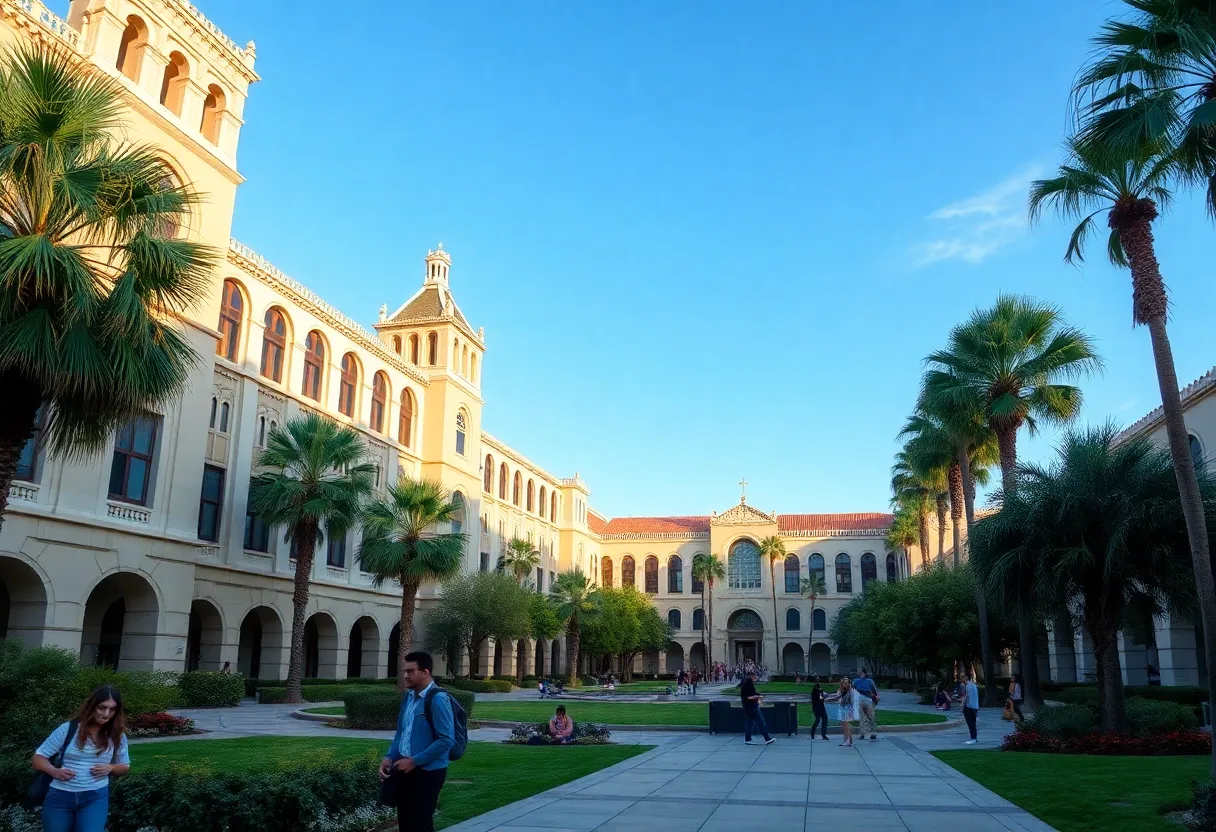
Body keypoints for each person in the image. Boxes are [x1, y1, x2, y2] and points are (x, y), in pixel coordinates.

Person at [32, 685, 131, 832]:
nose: (106, 714)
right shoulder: (69, 729)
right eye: (102, 708)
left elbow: (124, 766)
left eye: (112, 709)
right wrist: (54, 771)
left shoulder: (117, 735)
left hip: (95, 797)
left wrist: (111, 768)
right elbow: (38, 758)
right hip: (60, 796)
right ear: (92, 706)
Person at [380, 651, 455, 832]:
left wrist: (414, 761)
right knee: (406, 824)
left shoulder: (438, 699)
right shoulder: (409, 697)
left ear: (425, 672)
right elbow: (402, 733)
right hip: (405, 769)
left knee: (420, 824)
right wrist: (389, 757)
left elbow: (446, 740)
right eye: (405, 671)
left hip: (428, 772)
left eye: (410, 671)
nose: (405, 675)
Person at [738, 670, 775, 745]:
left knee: (749, 723)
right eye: (755, 676)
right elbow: (748, 697)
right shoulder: (748, 684)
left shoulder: (747, 683)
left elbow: (749, 694)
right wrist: (757, 697)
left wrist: (757, 695)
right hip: (751, 707)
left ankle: (748, 739)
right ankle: (767, 738)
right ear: (751, 676)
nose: (756, 677)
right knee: (761, 722)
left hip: (748, 707)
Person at [827, 677, 857, 747]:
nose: (844, 684)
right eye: (843, 682)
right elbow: (837, 695)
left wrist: (828, 698)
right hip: (842, 707)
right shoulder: (842, 690)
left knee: (846, 725)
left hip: (848, 708)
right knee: (844, 724)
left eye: (846, 682)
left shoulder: (850, 690)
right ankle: (849, 740)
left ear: (849, 683)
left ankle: (847, 741)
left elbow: (852, 700)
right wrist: (828, 696)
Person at [853, 669, 879, 741]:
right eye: (859, 672)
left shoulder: (870, 681)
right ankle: (862, 734)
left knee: (871, 717)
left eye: (861, 672)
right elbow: (852, 690)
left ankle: (873, 733)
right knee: (862, 718)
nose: (860, 673)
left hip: (868, 700)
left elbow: (874, 691)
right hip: (859, 701)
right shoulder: (856, 681)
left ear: (865, 673)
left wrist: (876, 698)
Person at [962, 671, 979, 745]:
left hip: (970, 707)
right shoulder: (972, 685)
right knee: (972, 723)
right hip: (973, 706)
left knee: (971, 723)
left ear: (966, 677)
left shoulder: (968, 686)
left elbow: (968, 696)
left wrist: (963, 703)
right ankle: (974, 738)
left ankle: (973, 738)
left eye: (962, 676)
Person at [810, 676, 829, 740]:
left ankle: (824, 735)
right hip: (816, 708)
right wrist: (824, 697)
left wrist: (823, 696)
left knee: (824, 719)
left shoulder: (819, 690)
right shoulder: (815, 691)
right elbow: (819, 698)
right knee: (817, 720)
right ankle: (812, 734)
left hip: (821, 707)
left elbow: (821, 698)